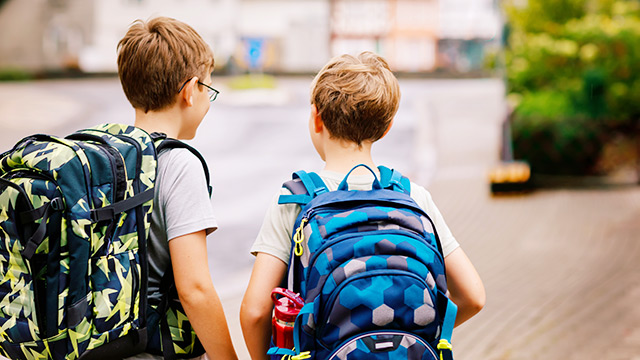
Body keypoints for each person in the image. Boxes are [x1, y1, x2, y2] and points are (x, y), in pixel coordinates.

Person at [240, 51, 486, 359]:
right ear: (387, 127)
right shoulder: (413, 198)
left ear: (316, 118)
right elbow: (473, 297)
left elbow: (255, 313)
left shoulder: (296, 201)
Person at [117, 17, 237, 360]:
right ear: (190, 90)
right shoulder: (179, 164)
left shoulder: (107, 157)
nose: (208, 101)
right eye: (209, 90)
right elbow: (195, 290)